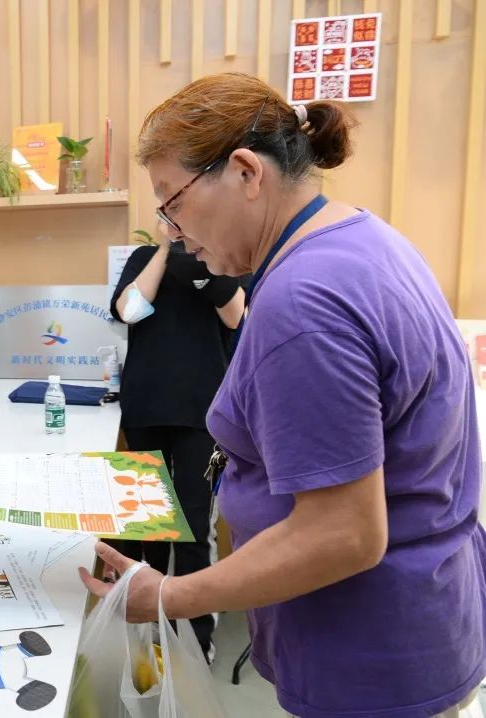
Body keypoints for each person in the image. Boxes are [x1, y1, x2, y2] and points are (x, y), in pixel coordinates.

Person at [79, 72, 485, 717]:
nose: (173, 231)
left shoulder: (302, 301)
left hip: (366, 656)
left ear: (245, 172)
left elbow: (343, 533)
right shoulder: (365, 239)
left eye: (173, 202)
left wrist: (166, 596)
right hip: (422, 619)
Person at [108, 230, 244, 660]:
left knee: (194, 526)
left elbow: (236, 317)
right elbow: (129, 310)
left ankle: (196, 640)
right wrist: (165, 250)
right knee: (147, 525)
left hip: (206, 417)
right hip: (145, 409)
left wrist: (201, 263)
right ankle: (150, 623)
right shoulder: (144, 257)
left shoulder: (224, 255)